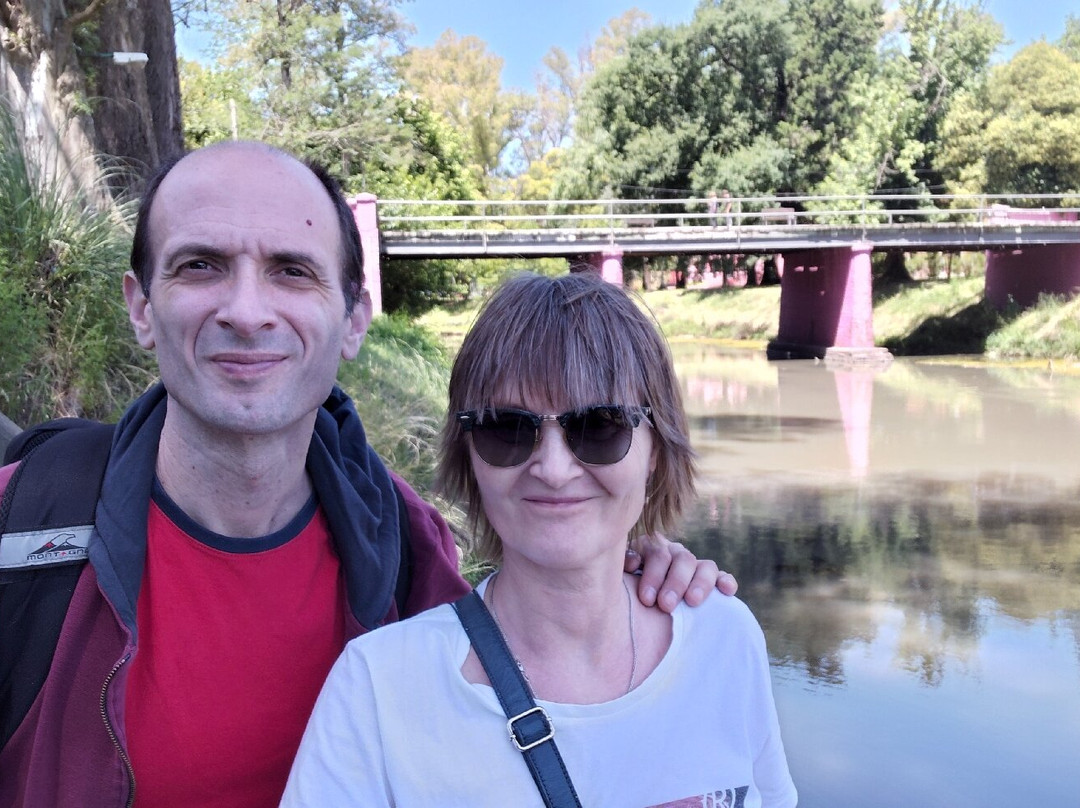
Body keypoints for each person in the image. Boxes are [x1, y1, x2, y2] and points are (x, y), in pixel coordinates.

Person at [0, 141, 736, 808]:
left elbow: (529, 680)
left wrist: (623, 569)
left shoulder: (406, 546)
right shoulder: (26, 528)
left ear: (354, 318)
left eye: (292, 270)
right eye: (201, 265)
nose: (248, 311)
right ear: (140, 305)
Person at [281, 272, 797, 807]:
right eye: (507, 428)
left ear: (657, 452)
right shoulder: (378, 688)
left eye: (600, 426)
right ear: (469, 457)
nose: (552, 468)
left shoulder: (725, 636)